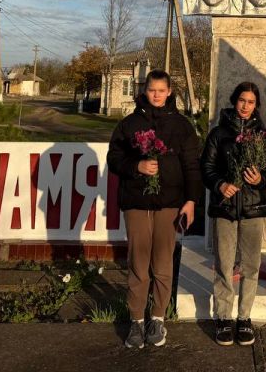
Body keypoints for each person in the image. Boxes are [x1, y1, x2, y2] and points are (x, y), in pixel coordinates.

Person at [107, 70, 202, 349]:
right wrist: (136, 167)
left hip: (169, 204)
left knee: (162, 263)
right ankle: (136, 320)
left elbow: (192, 167)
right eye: (152, 90)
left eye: (162, 90)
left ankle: (157, 318)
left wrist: (191, 200)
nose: (157, 94)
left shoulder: (182, 126)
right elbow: (114, 158)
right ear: (144, 90)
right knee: (138, 263)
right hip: (136, 202)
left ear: (170, 91)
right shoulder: (129, 124)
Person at [200, 81, 266, 346]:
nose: (245, 106)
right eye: (242, 100)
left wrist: (259, 179)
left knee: (250, 266)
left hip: (253, 209)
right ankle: (224, 317)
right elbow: (207, 167)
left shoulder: (264, 136)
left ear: (257, 106)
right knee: (223, 264)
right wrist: (220, 184)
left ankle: (244, 317)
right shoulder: (218, 134)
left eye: (251, 102)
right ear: (235, 101)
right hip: (225, 208)